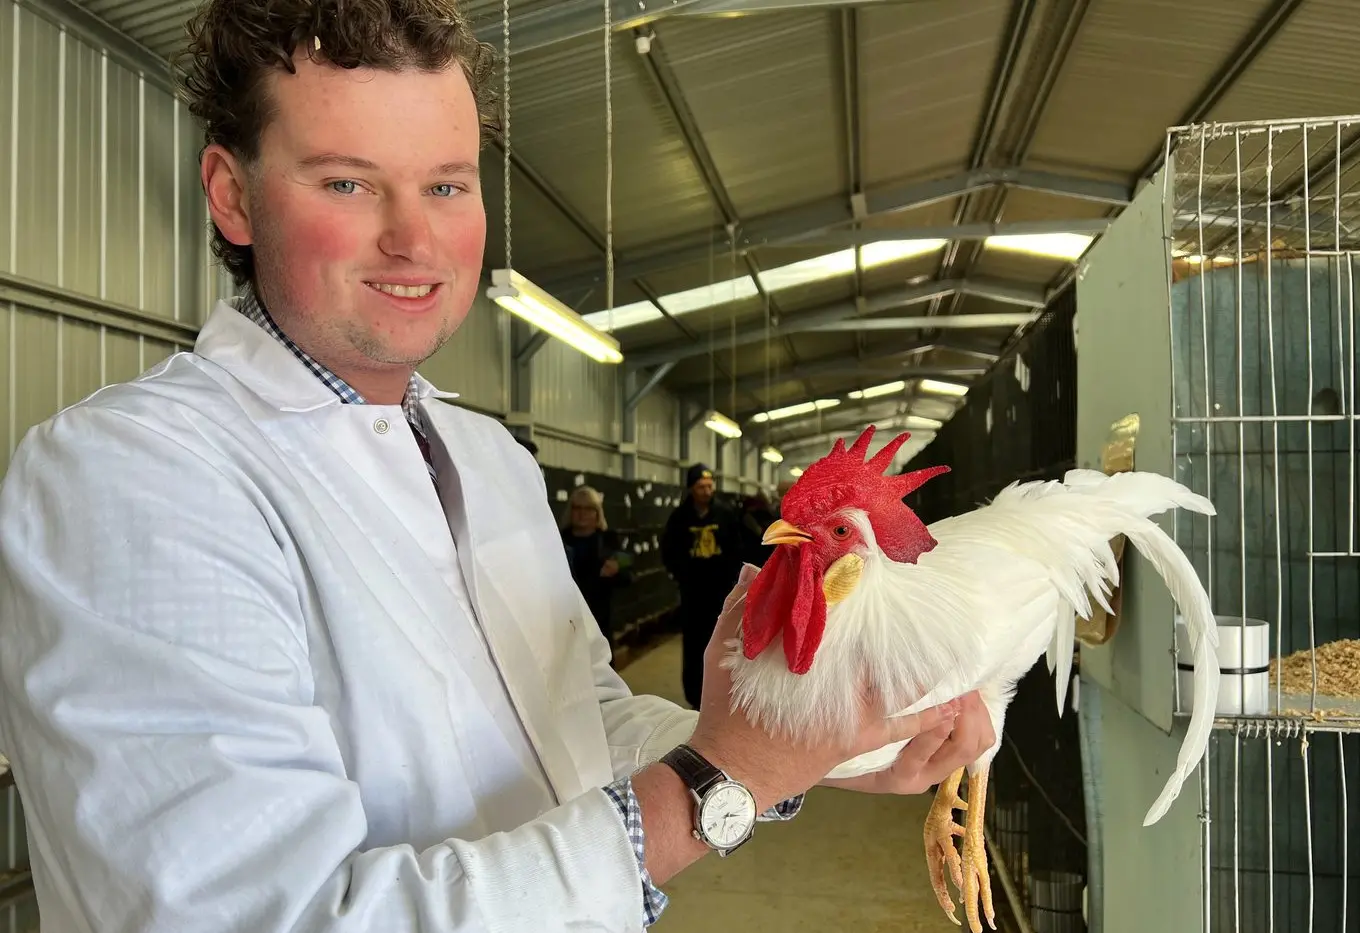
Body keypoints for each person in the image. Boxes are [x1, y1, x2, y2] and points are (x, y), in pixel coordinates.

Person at [0, 3, 997, 931]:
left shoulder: (487, 456)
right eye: (347, 182)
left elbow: (579, 719)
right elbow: (260, 914)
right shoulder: (133, 477)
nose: (413, 236)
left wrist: (803, 751)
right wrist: (714, 782)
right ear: (233, 196)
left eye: (447, 184)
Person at [661, 464, 745, 708]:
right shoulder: (679, 518)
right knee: (694, 644)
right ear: (691, 489)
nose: (706, 491)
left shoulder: (725, 514)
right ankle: (695, 696)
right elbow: (669, 550)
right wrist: (681, 575)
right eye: (701, 487)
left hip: (720, 592)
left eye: (710, 486)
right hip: (692, 593)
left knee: (722, 641)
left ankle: (722, 694)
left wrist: (732, 581)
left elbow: (737, 549)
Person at [560, 485, 632, 659]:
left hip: (599, 618)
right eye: (577, 508)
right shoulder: (559, 539)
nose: (582, 514)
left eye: (588, 509)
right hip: (565, 619)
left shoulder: (609, 539)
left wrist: (615, 570)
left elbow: (628, 570)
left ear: (597, 512)